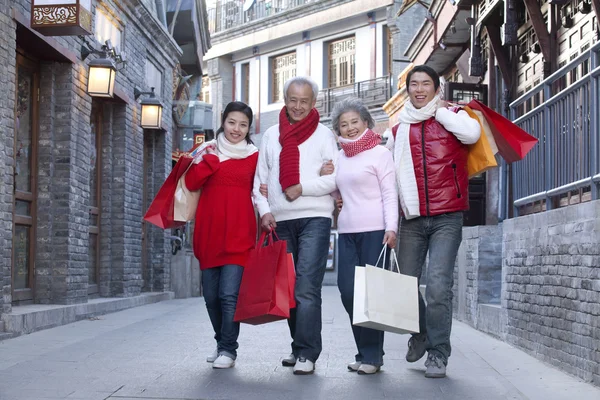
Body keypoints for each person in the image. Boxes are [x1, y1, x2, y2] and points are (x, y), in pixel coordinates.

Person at [386, 65, 480, 378]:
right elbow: (382, 167)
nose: (419, 89)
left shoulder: (454, 115)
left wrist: (440, 112)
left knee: (439, 286)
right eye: (414, 84)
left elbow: (472, 133)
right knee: (403, 285)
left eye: (426, 83)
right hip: (412, 218)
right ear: (407, 90)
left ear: (436, 88)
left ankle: (438, 353)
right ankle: (422, 333)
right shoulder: (399, 130)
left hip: (446, 217)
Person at [253, 76, 338, 375]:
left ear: (313, 103)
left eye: (304, 101)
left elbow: (334, 178)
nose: (298, 106)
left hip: (315, 217)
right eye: (293, 100)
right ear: (285, 99)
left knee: (306, 287)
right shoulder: (271, 135)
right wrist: (264, 210)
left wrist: (302, 187)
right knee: (288, 289)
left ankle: (308, 352)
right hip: (280, 221)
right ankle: (298, 345)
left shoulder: (325, 135)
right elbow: (260, 181)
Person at [184, 101, 259, 369]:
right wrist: (210, 161)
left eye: (243, 124)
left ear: (249, 128)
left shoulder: (254, 155)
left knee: (229, 295)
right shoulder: (207, 150)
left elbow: (262, 190)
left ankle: (229, 349)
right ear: (223, 121)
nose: (236, 129)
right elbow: (191, 182)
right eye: (232, 122)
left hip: (240, 233)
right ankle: (220, 341)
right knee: (212, 297)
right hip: (209, 233)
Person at [328, 97, 398, 375]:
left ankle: (371, 356)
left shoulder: (380, 154)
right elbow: (335, 188)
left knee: (372, 296)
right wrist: (334, 195)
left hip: (375, 232)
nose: (349, 128)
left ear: (366, 122)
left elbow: (390, 193)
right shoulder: (339, 156)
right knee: (348, 293)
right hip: (346, 231)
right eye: (343, 125)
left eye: (354, 122)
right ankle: (366, 351)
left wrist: (391, 228)